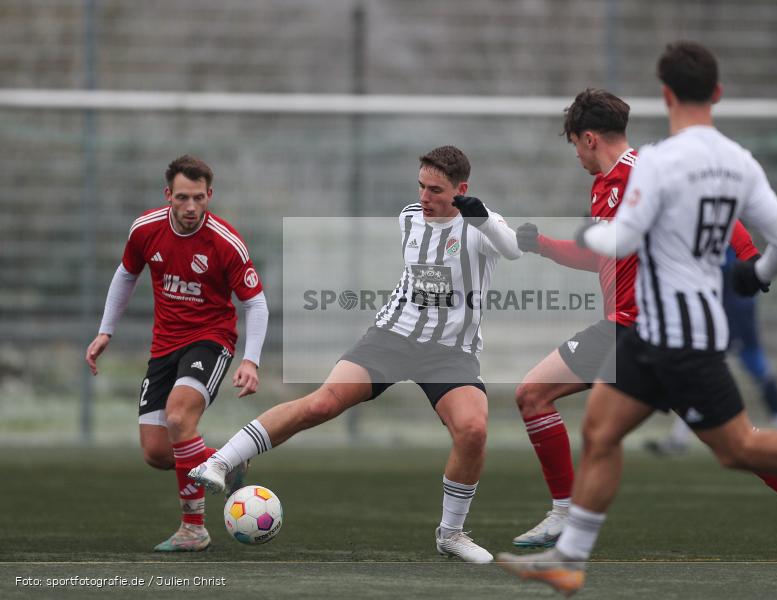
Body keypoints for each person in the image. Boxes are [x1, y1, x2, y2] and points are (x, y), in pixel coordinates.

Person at [497, 42, 777, 595]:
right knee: (609, 431)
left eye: (575, 145)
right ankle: (571, 552)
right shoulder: (733, 161)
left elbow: (623, 239)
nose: (576, 154)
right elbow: (770, 237)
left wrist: (583, 235)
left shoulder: (657, 163)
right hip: (647, 331)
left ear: (666, 95)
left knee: (734, 444)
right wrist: (753, 271)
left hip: (657, 330)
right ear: (718, 92)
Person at [189, 145, 522, 563]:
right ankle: (220, 462)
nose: (424, 197)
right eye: (420, 185)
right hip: (393, 336)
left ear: (462, 189)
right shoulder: (409, 218)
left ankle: (451, 534)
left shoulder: (482, 223)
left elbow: (511, 248)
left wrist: (484, 218)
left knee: (473, 431)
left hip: (450, 352)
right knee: (322, 403)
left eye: (435, 190)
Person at [85, 155, 269, 552]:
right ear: (168, 194)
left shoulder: (225, 242)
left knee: (178, 417)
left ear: (209, 196)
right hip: (164, 346)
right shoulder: (146, 230)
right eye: (182, 197)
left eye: (199, 198)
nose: (190, 207)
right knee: (156, 451)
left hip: (211, 340)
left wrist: (250, 360)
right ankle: (226, 459)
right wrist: (105, 331)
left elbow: (256, 303)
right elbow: (125, 274)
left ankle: (193, 529)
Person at [646, 246, 777, 455]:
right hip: (721, 315)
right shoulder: (717, 238)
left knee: (757, 372)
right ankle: (679, 438)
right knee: (700, 376)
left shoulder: (727, 242)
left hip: (735, 316)